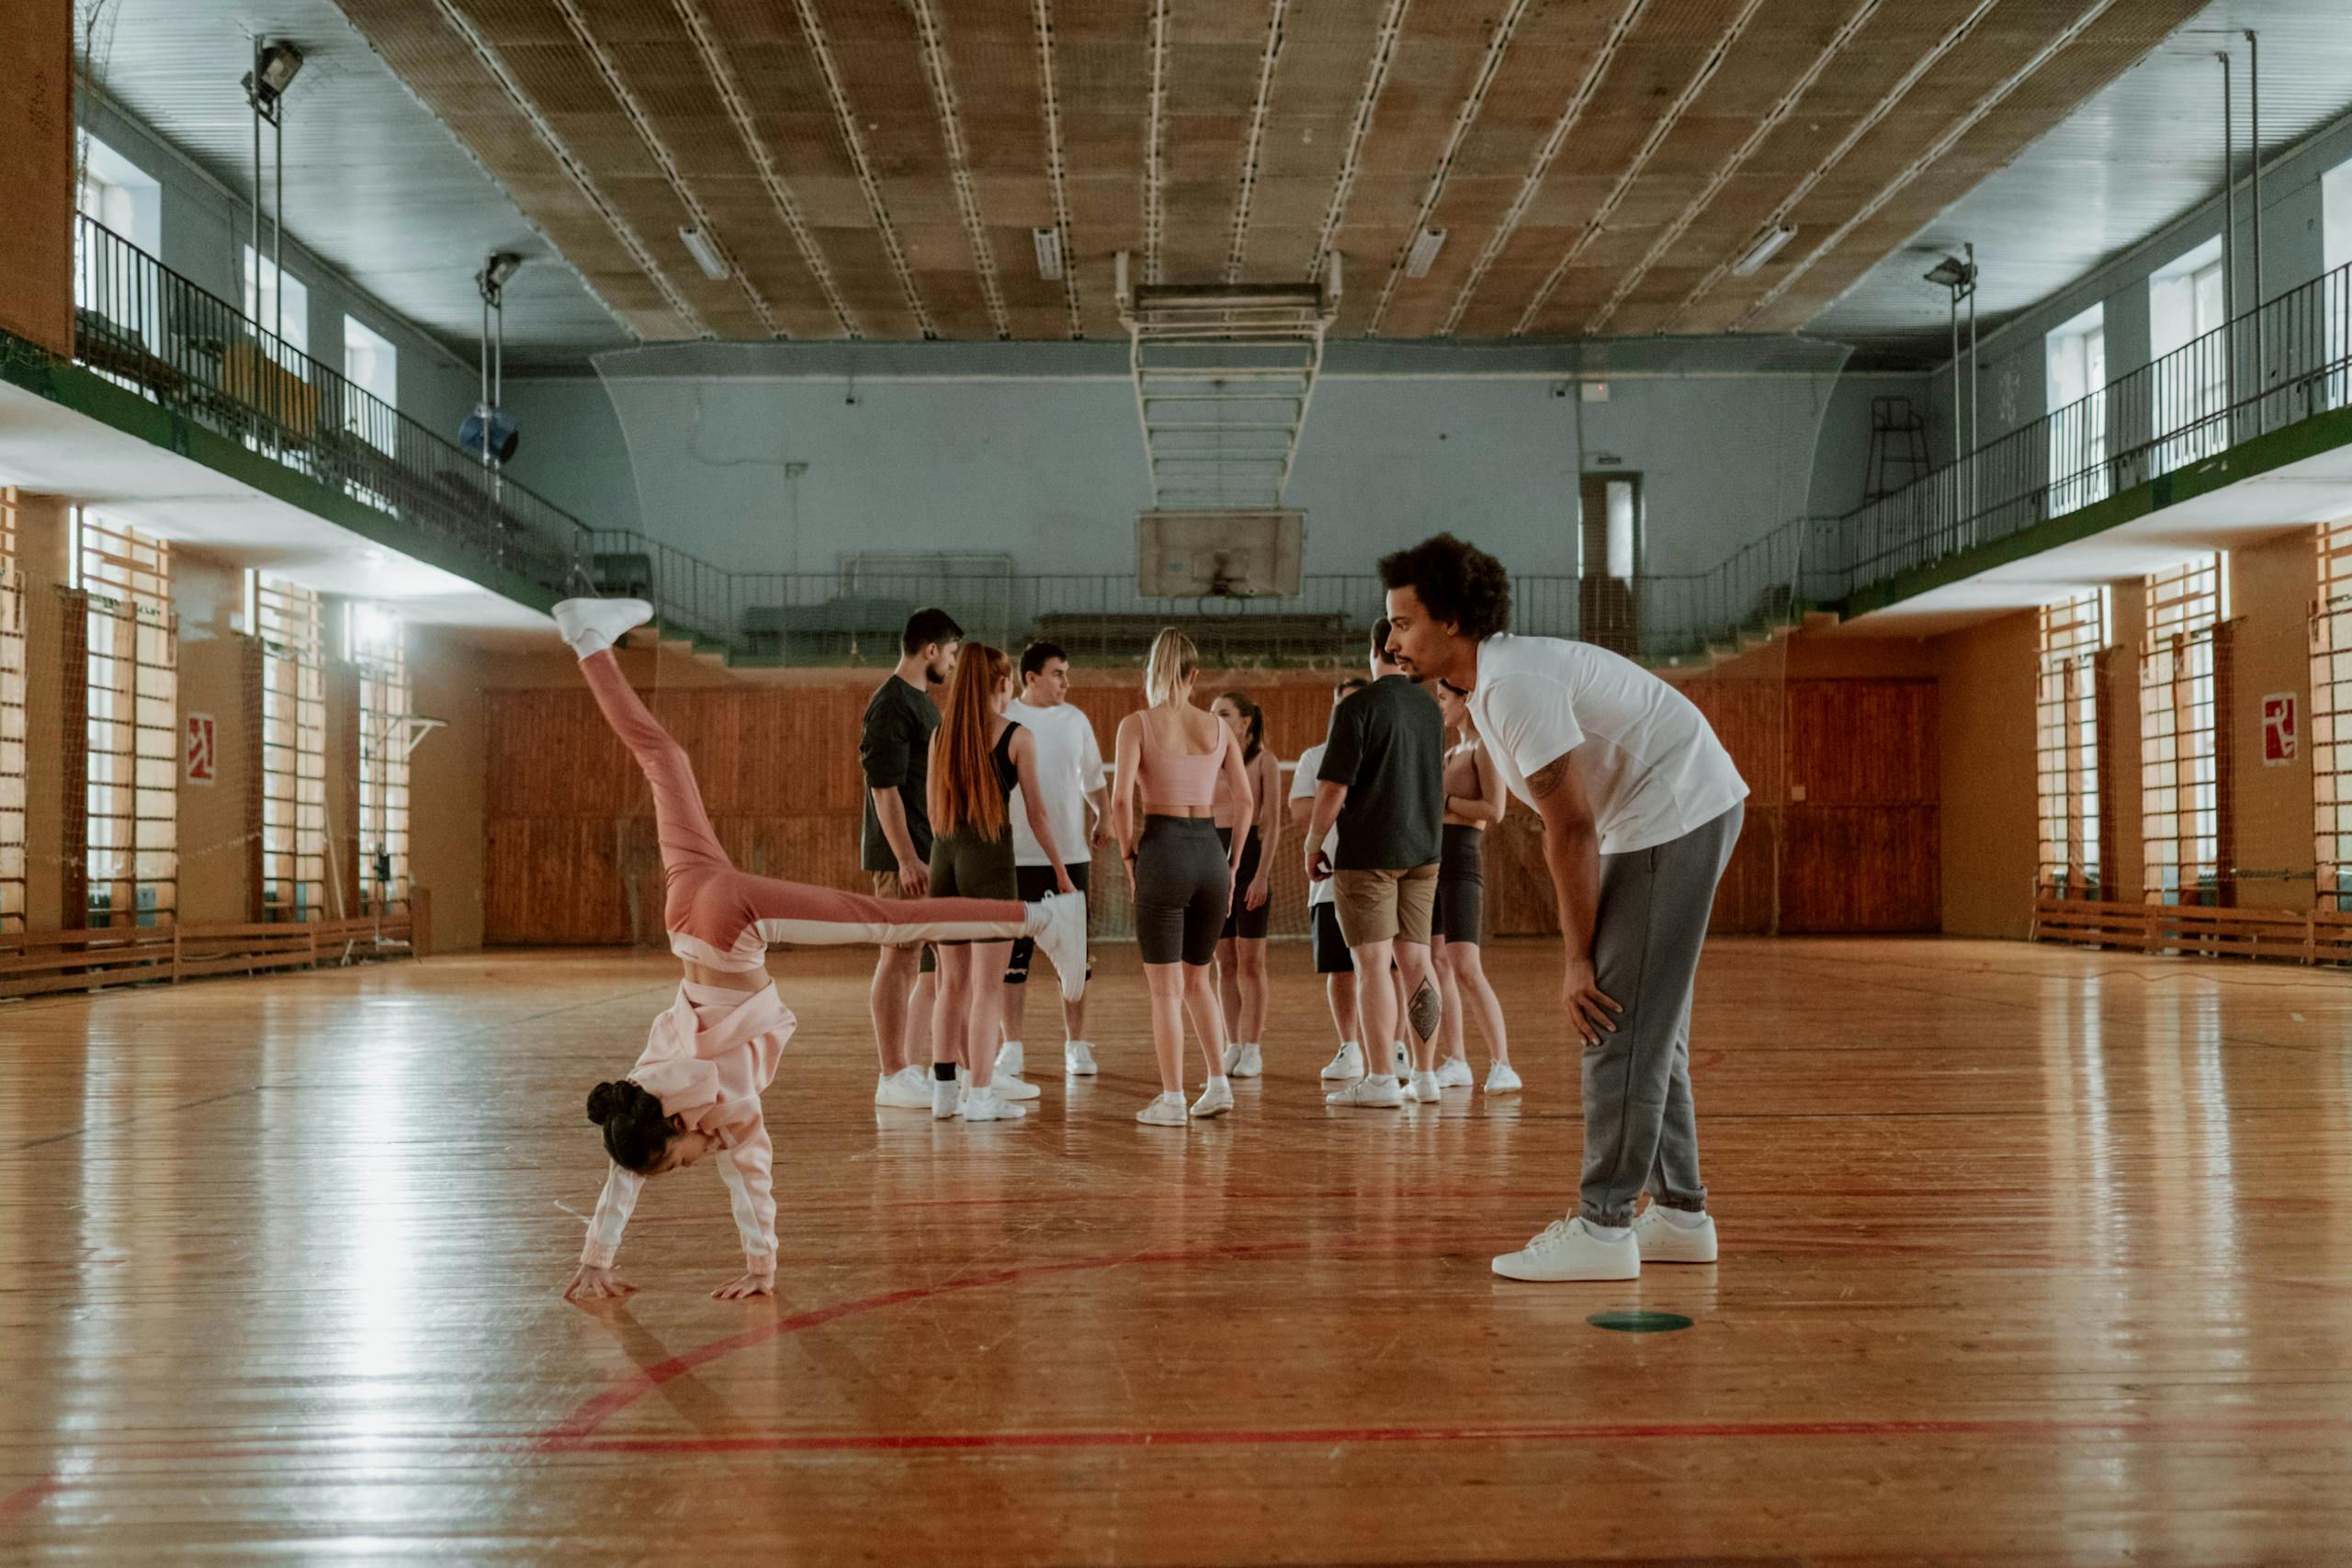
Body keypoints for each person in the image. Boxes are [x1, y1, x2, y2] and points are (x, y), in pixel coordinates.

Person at [545, 599, 1086, 1302]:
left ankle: (1041, 917)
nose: (685, 1169)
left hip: (731, 928)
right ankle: (588, 639)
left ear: (676, 1126)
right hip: (685, 913)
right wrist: (603, 1255)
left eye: (674, 1163)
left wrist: (760, 1266)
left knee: (889, 920)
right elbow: (633, 1166)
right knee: (663, 758)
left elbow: (742, 1170)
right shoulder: (647, 1092)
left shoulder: (719, 1105)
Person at [1377, 533, 1747, 1283]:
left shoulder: (1513, 685)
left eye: (1404, 622)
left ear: (1451, 621)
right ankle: (1680, 1214)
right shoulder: (1491, 687)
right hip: (1664, 814)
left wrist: (1578, 960)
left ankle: (1605, 1226)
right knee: (1648, 1023)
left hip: (1675, 812)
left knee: (1608, 1013)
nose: (1392, 639)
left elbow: (1569, 829)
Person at [925, 643, 1078, 1122]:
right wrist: (1060, 870)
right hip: (988, 862)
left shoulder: (940, 736)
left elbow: (933, 812)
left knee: (951, 985)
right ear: (1002, 683)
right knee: (987, 989)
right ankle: (982, 1096)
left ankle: (945, 1093)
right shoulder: (1017, 736)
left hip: (944, 859)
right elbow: (1037, 814)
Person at [1112, 627, 1252, 1125]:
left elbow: (1123, 801)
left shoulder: (1137, 724)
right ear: (1193, 675)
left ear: (1151, 671)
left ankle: (1171, 1100)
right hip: (1210, 855)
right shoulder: (1218, 729)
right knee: (1201, 981)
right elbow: (1245, 800)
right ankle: (1217, 1084)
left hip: (1164, 851)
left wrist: (1130, 857)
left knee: (1165, 990)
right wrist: (1232, 866)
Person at [1306, 620, 1447, 1109]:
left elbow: (1333, 788)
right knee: (1417, 962)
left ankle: (1382, 1078)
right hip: (1425, 852)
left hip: (1369, 854)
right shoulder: (1430, 708)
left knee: (1371, 965)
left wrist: (1313, 840)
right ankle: (1426, 1077)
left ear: (1375, 650)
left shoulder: (1356, 707)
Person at [862, 608, 963, 1111]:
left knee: (928, 960)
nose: (951, 662)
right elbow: (884, 790)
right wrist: (904, 858)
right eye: (949, 653)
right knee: (898, 957)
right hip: (905, 856)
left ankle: (921, 1068)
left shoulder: (921, 703)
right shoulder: (891, 705)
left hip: (929, 848)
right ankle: (892, 1074)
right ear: (929, 651)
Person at [997, 642, 1110, 1080]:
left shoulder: (1076, 720)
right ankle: (1012, 1047)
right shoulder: (1006, 717)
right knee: (1013, 957)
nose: (1067, 681)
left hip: (1071, 855)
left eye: (1067, 673)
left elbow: (1093, 779)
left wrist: (1104, 814)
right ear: (1031, 678)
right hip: (1017, 856)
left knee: (1076, 959)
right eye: (1058, 673)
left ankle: (1076, 1044)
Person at [1427, 678, 1520, 1095]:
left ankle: (1503, 1063)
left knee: (1466, 964)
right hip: (1432, 862)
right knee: (1437, 962)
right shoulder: (1448, 753)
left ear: (1466, 699)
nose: (1441, 706)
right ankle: (1457, 1060)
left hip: (1462, 858)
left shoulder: (1485, 748)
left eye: (1445, 699)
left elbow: (1494, 809)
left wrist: (1444, 804)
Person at [1294, 677, 1369, 1082]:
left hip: (1379, 874)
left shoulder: (1381, 752)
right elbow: (1300, 809)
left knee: (1386, 968)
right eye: (1344, 705)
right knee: (1340, 969)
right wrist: (1340, 800)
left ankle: (1394, 1049)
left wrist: (1334, 801)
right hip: (1328, 880)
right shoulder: (1315, 756)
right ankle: (1350, 1047)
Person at [1210, 690, 1282, 1079]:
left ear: (1244, 722)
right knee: (1224, 961)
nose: (1214, 718)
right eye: (1211, 713)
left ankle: (1253, 1047)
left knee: (1251, 962)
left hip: (1251, 857)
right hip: (1215, 860)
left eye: (1223, 713)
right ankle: (1232, 1043)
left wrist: (1261, 875)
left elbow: (1269, 824)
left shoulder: (1264, 761)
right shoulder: (1209, 760)